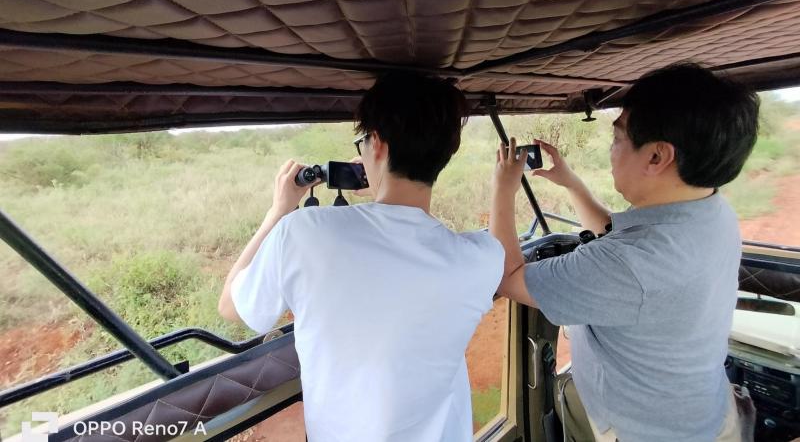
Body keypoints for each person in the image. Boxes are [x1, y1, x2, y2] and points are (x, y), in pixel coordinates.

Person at [218, 73, 504, 442]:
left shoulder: (303, 232)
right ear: (447, 151)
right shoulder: (479, 260)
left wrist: (279, 211)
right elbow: (407, 242)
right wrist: (383, 189)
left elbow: (232, 307)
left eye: (363, 141)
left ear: (378, 144)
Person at [490, 63, 759, 442]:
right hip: (706, 415)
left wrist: (502, 189)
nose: (612, 150)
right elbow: (618, 236)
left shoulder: (629, 263)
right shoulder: (711, 211)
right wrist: (572, 184)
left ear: (656, 157)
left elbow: (508, 276)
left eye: (617, 138)